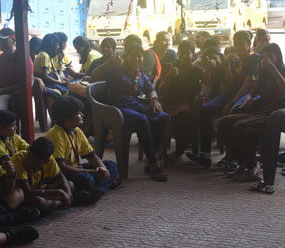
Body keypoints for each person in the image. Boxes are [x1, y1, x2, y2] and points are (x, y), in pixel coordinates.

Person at [217, 43, 285, 186]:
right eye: (264, 58)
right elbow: (252, 93)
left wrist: (272, 67)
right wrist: (249, 99)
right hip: (260, 113)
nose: (266, 60)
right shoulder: (263, 76)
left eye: (270, 57)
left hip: (276, 115)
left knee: (241, 126)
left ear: (277, 57)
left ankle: (253, 166)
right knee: (224, 122)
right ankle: (244, 162)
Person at [186, 30, 259, 168]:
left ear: (249, 44)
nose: (238, 47)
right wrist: (226, 64)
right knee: (205, 109)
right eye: (236, 44)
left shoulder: (254, 59)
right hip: (233, 92)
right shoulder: (235, 59)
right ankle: (205, 155)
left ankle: (233, 158)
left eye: (241, 44)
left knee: (233, 110)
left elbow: (248, 84)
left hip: (247, 94)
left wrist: (231, 102)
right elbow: (231, 83)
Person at [104, 43, 169, 182]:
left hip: (134, 105)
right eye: (133, 56)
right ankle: (154, 163)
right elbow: (96, 76)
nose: (137, 59)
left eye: (140, 56)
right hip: (118, 107)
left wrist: (153, 98)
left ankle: (150, 156)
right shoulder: (117, 69)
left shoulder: (140, 74)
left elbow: (151, 90)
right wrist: (113, 64)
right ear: (126, 56)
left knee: (162, 117)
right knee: (142, 120)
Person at [45, 97, 120, 204]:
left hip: (76, 169)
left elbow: (92, 156)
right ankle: (99, 186)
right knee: (87, 179)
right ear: (67, 120)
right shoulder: (55, 135)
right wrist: (92, 172)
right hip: (60, 175)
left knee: (111, 165)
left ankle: (97, 190)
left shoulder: (77, 131)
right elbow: (62, 168)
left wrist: (102, 169)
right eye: (78, 113)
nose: (82, 115)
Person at [157, 40, 203, 162]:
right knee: (155, 114)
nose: (184, 56)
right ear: (178, 53)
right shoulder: (169, 67)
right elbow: (160, 91)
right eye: (181, 53)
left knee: (184, 117)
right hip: (167, 101)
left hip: (186, 104)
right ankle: (157, 150)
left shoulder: (198, 71)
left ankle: (178, 151)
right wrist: (169, 76)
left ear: (193, 55)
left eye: (188, 53)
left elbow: (203, 91)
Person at [12, 137, 73, 212]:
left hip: (39, 189)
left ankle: (58, 201)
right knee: (40, 202)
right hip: (24, 194)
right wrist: (59, 192)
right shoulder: (18, 158)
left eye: (35, 160)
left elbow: (60, 176)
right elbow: (28, 191)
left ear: (45, 161)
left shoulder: (50, 159)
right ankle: (61, 202)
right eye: (29, 156)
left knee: (70, 185)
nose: (29, 161)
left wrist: (68, 192)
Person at [34, 33, 71, 122]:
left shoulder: (48, 55)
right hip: (44, 81)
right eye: (57, 44)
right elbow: (45, 76)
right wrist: (60, 83)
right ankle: (55, 120)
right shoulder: (44, 56)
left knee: (69, 88)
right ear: (52, 44)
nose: (58, 47)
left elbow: (54, 71)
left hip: (49, 79)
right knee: (52, 94)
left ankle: (63, 118)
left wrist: (62, 79)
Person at [0, 28, 19, 111]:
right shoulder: (1, 58)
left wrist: (3, 90)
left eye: (4, 40)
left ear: (13, 40)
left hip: (10, 94)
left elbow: (24, 82)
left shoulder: (21, 57)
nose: (1, 42)